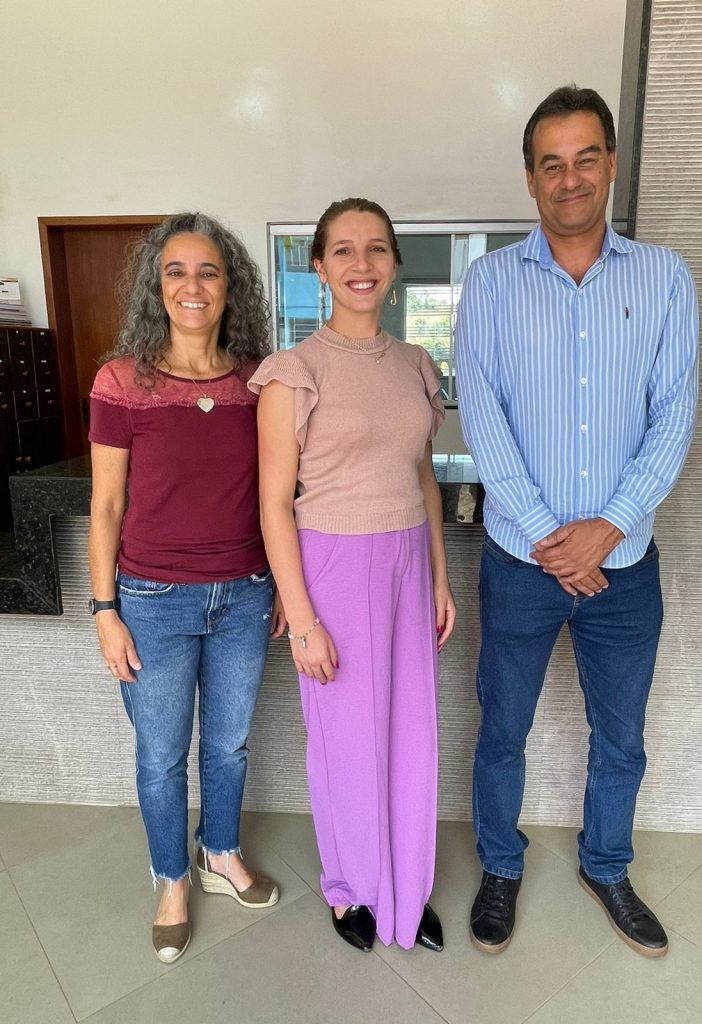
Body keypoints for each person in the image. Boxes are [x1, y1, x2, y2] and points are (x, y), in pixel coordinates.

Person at [455, 86, 698, 958]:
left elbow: (673, 416)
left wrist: (610, 527)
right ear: (530, 178)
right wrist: (552, 540)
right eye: (551, 163)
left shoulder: (664, 278)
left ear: (611, 165)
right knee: (502, 729)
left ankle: (607, 865)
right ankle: (500, 864)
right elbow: (484, 420)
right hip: (519, 564)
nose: (570, 178)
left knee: (622, 736)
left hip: (624, 566)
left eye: (585, 158)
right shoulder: (490, 284)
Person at [253, 198, 456, 953]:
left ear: (395, 265)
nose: (361, 264)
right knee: (345, 740)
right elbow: (274, 504)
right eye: (343, 250)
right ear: (319, 267)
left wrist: (439, 577)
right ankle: (350, 889)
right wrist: (302, 619)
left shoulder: (414, 365)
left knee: (410, 735)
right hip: (332, 567)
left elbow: (423, 478)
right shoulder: (294, 372)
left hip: (408, 564)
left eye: (376, 249)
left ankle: (405, 886)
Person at [88, 212, 284, 964]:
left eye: (209, 271)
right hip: (152, 601)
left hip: (244, 595)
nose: (192, 285)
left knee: (229, 746)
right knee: (162, 755)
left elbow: (277, 493)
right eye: (176, 271)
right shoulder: (121, 382)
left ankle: (219, 853)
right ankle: (171, 877)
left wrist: (279, 585)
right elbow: (106, 506)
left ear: (231, 286)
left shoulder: (258, 380)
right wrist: (104, 610)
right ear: (156, 285)